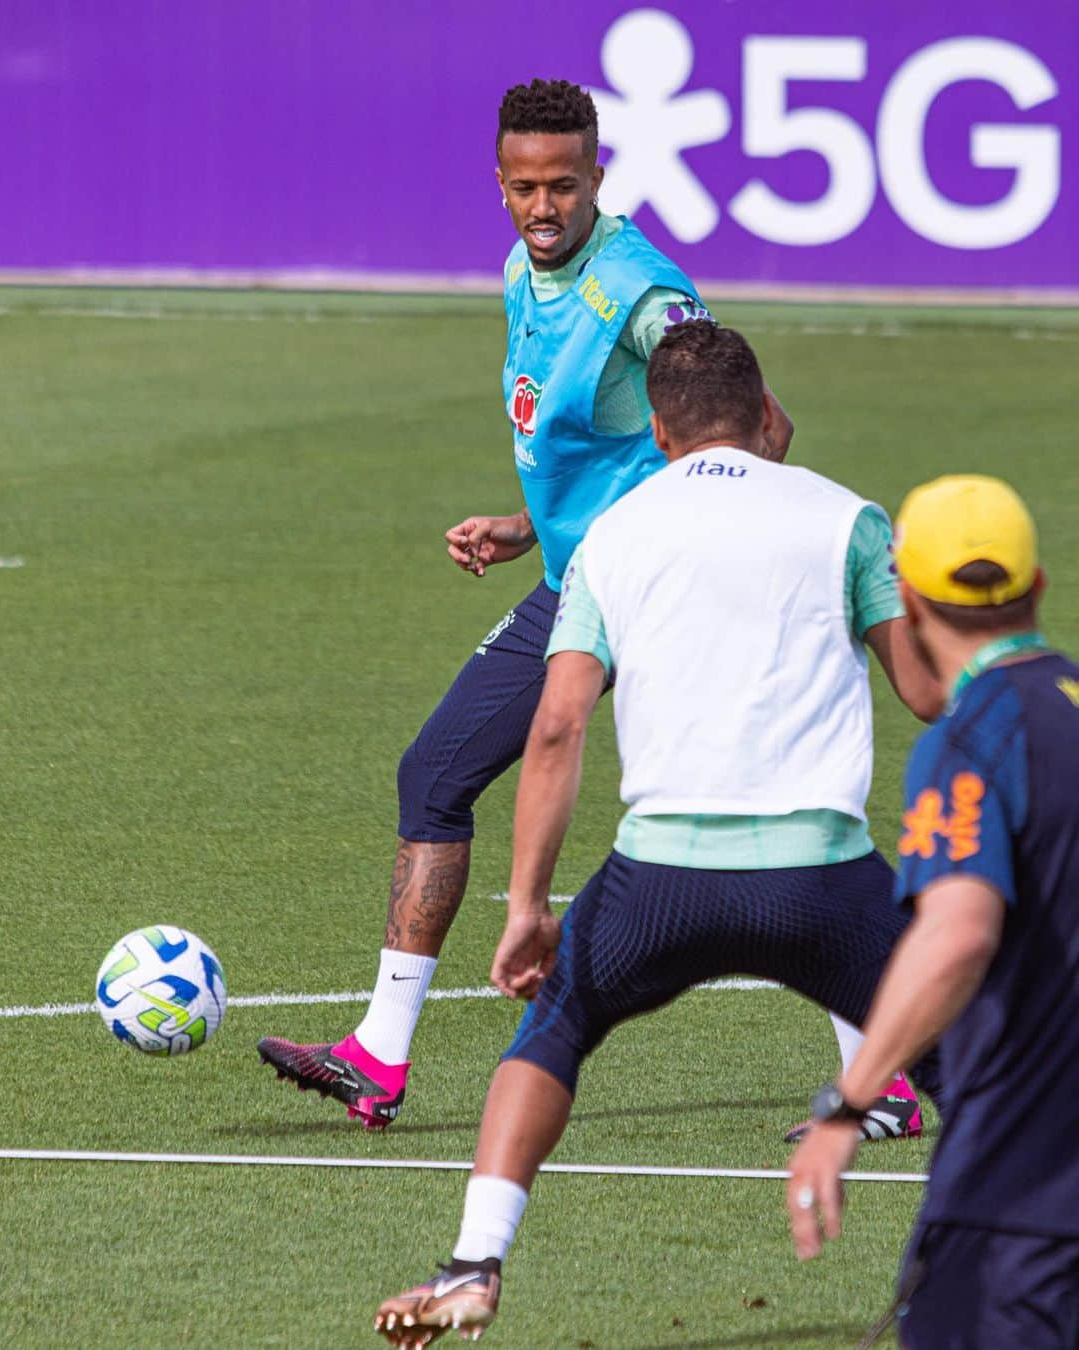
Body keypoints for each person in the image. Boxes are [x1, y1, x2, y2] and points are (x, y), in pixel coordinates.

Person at [256, 77, 816, 1129]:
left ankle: (882, 1074)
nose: (543, 207)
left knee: (751, 812)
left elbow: (764, 429)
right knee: (436, 772)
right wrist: (530, 528)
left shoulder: (643, 293)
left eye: (563, 185)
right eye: (524, 187)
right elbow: (594, 442)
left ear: (598, 177)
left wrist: (700, 549)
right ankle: (378, 1056)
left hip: (660, 588)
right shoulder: (523, 267)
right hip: (579, 578)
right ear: (502, 183)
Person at [371, 321, 946, 1346]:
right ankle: (986, 1270)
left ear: (662, 435)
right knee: (976, 1063)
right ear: (767, 416)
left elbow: (556, 727)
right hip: (821, 876)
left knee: (550, 1035)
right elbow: (926, 693)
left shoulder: (616, 534)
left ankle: (473, 1265)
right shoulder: (846, 518)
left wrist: (526, 908)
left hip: (662, 874)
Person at [787, 474, 1078, 1349]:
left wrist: (849, 1103)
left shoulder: (972, 736)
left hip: (1021, 1202)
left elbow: (955, 934)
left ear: (907, 600)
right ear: (1036, 588)